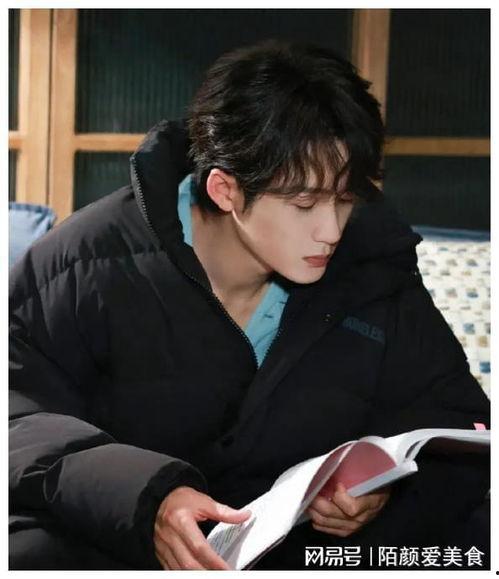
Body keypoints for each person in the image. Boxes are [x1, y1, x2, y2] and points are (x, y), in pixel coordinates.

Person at [9, 40, 489, 571]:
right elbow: (18, 418)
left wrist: (380, 492)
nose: (331, 230)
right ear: (225, 190)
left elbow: (455, 422)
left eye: (345, 199)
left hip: (302, 553)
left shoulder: (374, 265)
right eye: (304, 203)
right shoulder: (82, 265)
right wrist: (146, 499)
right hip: (119, 544)